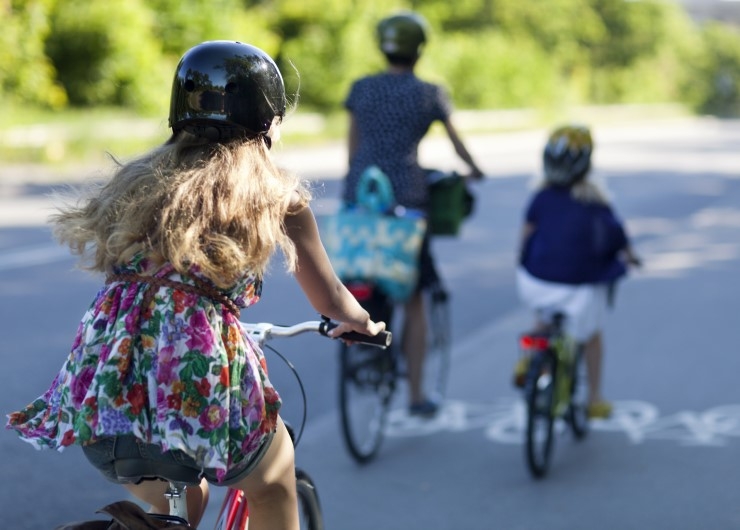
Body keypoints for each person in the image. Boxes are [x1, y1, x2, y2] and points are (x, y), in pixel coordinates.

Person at [6, 40, 385, 530]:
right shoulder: (275, 195)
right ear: (267, 120)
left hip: (105, 381)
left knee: (179, 501)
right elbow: (331, 298)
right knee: (272, 484)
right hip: (194, 378)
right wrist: (365, 324)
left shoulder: (140, 181)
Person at [342, 11, 484, 417]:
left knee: (363, 275)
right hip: (407, 201)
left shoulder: (361, 89)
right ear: (418, 49)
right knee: (415, 299)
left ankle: (365, 351)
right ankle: (417, 395)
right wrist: (474, 169)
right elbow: (458, 146)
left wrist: (355, 188)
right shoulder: (429, 94)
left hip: (363, 197)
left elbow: (352, 150)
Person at [516, 124, 640, 419]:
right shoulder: (596, 200)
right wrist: (630, 257)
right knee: (591, 335)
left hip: (535, 282)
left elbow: (525, 237)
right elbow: (616, 238)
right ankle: (594, 399)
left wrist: (524, 262)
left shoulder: (540, 197)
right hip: (580, 289)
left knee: (543, 315)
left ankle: (530, 359)